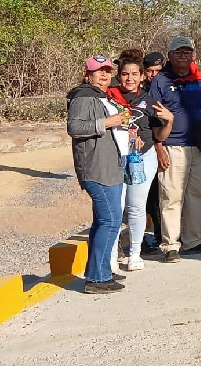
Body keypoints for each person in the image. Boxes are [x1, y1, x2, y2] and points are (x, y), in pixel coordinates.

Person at [150, 36, 201, 263]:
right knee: (171, 196)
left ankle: (193, 240)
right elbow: (153, 118)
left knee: (197, 195)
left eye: (187, 52)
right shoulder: (160, 81)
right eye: (178, 52)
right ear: (169, 55)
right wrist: (159, 147)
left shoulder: (199, 80)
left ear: (193, 55)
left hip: (199, 146)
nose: (183, 56)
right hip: (172, 147)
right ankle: (170, 244)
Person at [107, 50, 174, 272]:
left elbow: (159, 136)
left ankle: (134, 253)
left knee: (136, 207)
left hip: (142, 158)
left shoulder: (149, 101)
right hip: (116, 158)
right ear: (119, 75)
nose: (130, 78)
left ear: (142, 76)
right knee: (116, 208)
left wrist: (168, 121)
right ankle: (111, 254)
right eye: (125, 74)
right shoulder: (108, 97)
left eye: (135, 74)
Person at [67, 55, 127, 293]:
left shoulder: (101, 96)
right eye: (98, 71)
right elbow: (74, 127)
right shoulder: (83, 96)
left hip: (110, 167)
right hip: (96, 169)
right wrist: (107, 122)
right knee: (110, 220)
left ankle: (100, 271)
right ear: (87, 74)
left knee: (105, 221)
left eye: (107, 71)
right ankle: (96, 279)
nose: (104, 75)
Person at [142, 51, 165, 253]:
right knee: (150, 195)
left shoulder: (166, 87)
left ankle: (162, 233)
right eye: (150, 71)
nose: (154, 75)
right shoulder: (141, 92)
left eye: (158, 70)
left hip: (167, 143)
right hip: (147, 147)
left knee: (162, 193)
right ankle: (155, 234)